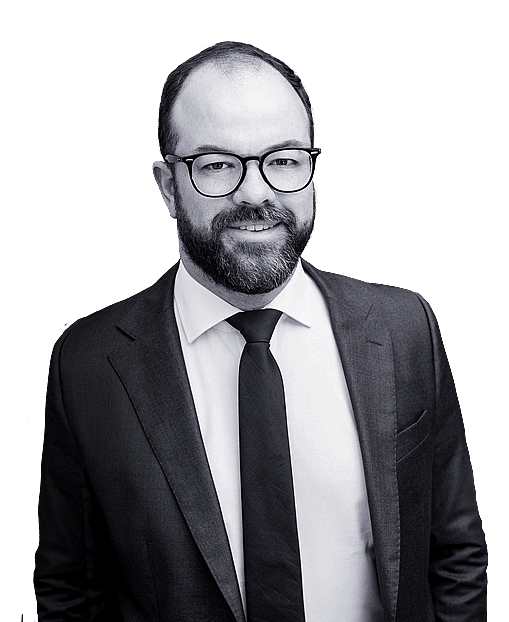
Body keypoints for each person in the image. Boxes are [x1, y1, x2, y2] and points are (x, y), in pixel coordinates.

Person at [34, 42, 487, 622]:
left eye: (285, 159)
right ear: (169, 187)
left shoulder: (405, 329)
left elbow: (455, 553)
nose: (256, 192)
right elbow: (71, 589)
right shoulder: (87, 363)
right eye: (217, 164)